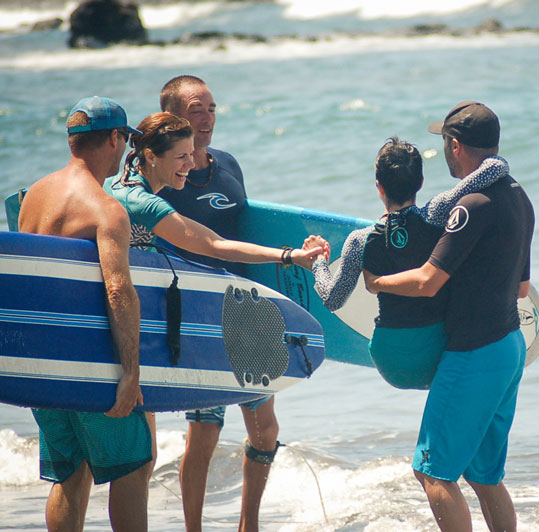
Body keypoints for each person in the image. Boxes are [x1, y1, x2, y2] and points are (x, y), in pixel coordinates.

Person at [364, 101, 535, 532]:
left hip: (474, 353)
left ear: (455, 146)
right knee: (483, 476)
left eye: (444, 142)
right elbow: (522, 289)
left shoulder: (471, 205)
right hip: (509, 347)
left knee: (433, 471)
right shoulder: (518, 196)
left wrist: (377, 282)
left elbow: (427, 281)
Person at [18, 96, 152, 532]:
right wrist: (131, 372)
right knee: (132, 467)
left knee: (69, 473)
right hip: (90, 362)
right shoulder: (105, 208)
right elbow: (118, 290)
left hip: (43, 361)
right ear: (114, 138)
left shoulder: (33, 196)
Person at [155, 76, 279, 532]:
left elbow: (247, 231)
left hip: (246, 314)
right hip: (201, 319)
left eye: (210, 108)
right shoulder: (163, 182)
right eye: (195, 110)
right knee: (205, 431)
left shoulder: (228, 164)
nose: (206, 119)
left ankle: (249, 524)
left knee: (266, 431)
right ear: (173, 119)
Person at [300, 137, 509, 389]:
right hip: (438, 353)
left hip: (390, 360)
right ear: (420, 182)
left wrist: (318, 263)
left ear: (379, 187)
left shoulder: (360, 241)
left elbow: (333, 299)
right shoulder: (438, 213)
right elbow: (496, 167)